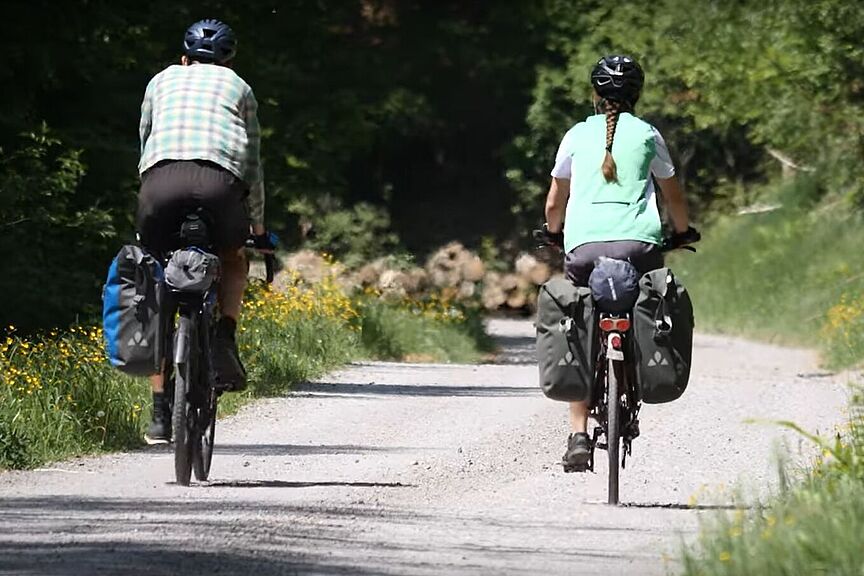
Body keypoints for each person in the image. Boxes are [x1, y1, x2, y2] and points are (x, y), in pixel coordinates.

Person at [542, 54, 693, 469]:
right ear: (637, 94)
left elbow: (556, 200)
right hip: (639, 247)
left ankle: (577, 434)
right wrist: (681, 232)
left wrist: (553, 233)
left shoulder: (575, 135)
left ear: (594, 94)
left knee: (578, 319)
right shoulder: (648, 134)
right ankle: (636, 372)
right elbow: (673, 196)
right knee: (645, 303)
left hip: (583, 249)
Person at [137, 19, 273, 443]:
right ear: (229, 60)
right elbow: (251, 162)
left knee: (156, 274)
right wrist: (259, 227)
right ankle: (224, 338)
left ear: (184, 58)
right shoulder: (239, 87)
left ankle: (160, 414)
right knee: (234, 256)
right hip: (220, 185)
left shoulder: (160, 80)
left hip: (160, 184)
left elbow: (145, 139)